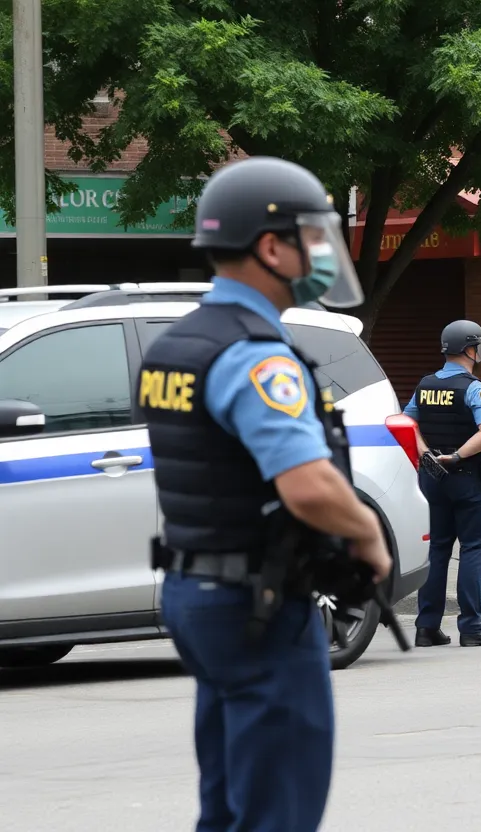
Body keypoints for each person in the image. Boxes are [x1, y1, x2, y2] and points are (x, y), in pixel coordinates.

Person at [141, 156, 392, 831]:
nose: (320, 252)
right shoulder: (256, 355)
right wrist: (367, 535)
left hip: (199, 593)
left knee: (227, 806)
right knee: (277, 809)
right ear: (269, 246)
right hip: (258, 603)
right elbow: (308, 486)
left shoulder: (179, 344)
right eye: (312, 236)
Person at [404, 320, 481, 647]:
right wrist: (457, 456)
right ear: (469, 349)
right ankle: (472, 626)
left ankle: (427, 627)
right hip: (468, 478)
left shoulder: (425, 384)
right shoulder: (473, 387)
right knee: (473, 549)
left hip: (432, 480)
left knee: (436, 550)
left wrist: (426, 455)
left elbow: (406, 421)